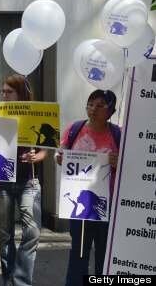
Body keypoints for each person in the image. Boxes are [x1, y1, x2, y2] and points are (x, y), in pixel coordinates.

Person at [0, 74, 47, 286]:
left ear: (21, 93)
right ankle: (8, 278)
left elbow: (44, 152)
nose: (4, 95)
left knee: (31, 232)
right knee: (5, 235)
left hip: (29, 181)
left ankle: (20, 281)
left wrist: (35, 156)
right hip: (2, 182)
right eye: (2, 91)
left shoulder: (36, 114)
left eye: (8, 92)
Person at [56, 90, 120, 286]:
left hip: (107, 206)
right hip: (81, 206)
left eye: (100, 106)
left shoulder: (118, 134)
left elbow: (130, 168)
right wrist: (59, 158)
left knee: (104, 254)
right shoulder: (75, 129)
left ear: (111, 111)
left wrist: (119, 162)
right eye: (90, 104)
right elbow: (61, 154)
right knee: (79, 253)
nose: (93, 109)